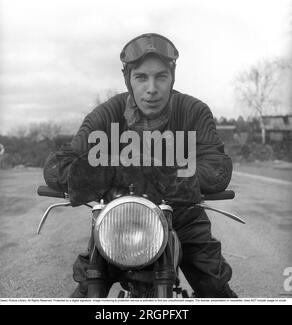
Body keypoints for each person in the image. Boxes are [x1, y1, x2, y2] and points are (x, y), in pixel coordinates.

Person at [43, 33, 237, 298]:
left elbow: (215, 166)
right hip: (118, 218)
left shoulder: (193, 110)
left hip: (182, 217)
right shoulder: (107, 113)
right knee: (89, 284)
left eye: (161, 76)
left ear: (172, 77)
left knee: (213, 285)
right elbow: (60, 163)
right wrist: (104, 174)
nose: (152, 88)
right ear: (129, 79)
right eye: (141, 77)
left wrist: (162, 175)